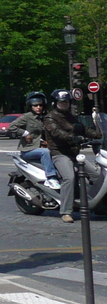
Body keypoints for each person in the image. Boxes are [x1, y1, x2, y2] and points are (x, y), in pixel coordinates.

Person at [44, 89, 91, 223]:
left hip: (74, 153)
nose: (64, 104)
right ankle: (66, 211)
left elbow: (83, 129)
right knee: (69, 177)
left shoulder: (70, 117)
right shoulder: (50, 118)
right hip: (60, 153)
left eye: (66, 102)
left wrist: (100, 135)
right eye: (61, 102)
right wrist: (74, 138)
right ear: (55, 103)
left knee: (95, 173)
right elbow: (57, 133)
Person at [8, 92, 61, 190]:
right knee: (45, 152)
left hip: (40, 147)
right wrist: (25, 133)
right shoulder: (27, 117)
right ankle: (51, 178)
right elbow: (12, 126)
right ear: (30, 106)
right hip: (28, 150)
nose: (38, 107)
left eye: (40, 105)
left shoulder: (45, 117)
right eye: (35, 105)